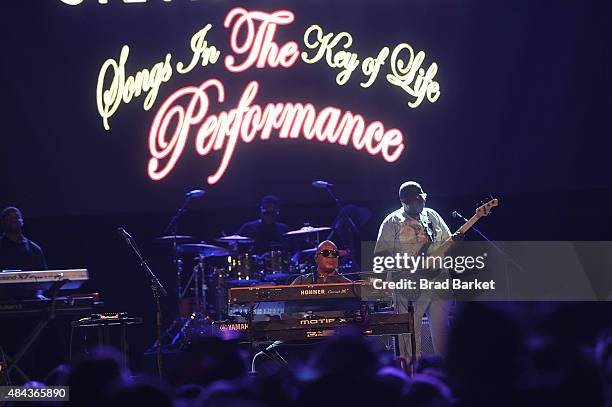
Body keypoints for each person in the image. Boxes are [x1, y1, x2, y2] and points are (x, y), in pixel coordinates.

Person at [374, 181, 460, 361]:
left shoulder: (432, 216)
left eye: (422, 197)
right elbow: (381, 255)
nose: (421, 201)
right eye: (416, 199)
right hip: (408, 286)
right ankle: (411, 378)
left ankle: (445, 376)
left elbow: (448, 242)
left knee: (443, 334)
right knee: (409, 337)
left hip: (438, 282)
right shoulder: (392, 221)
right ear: (404, 201)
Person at [0, 207, 47, 271]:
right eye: (8, 218)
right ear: (3, 223)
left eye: (16, 217)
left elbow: (44, 276)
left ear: (22, 221)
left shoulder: (35, 249)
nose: (13, 220)